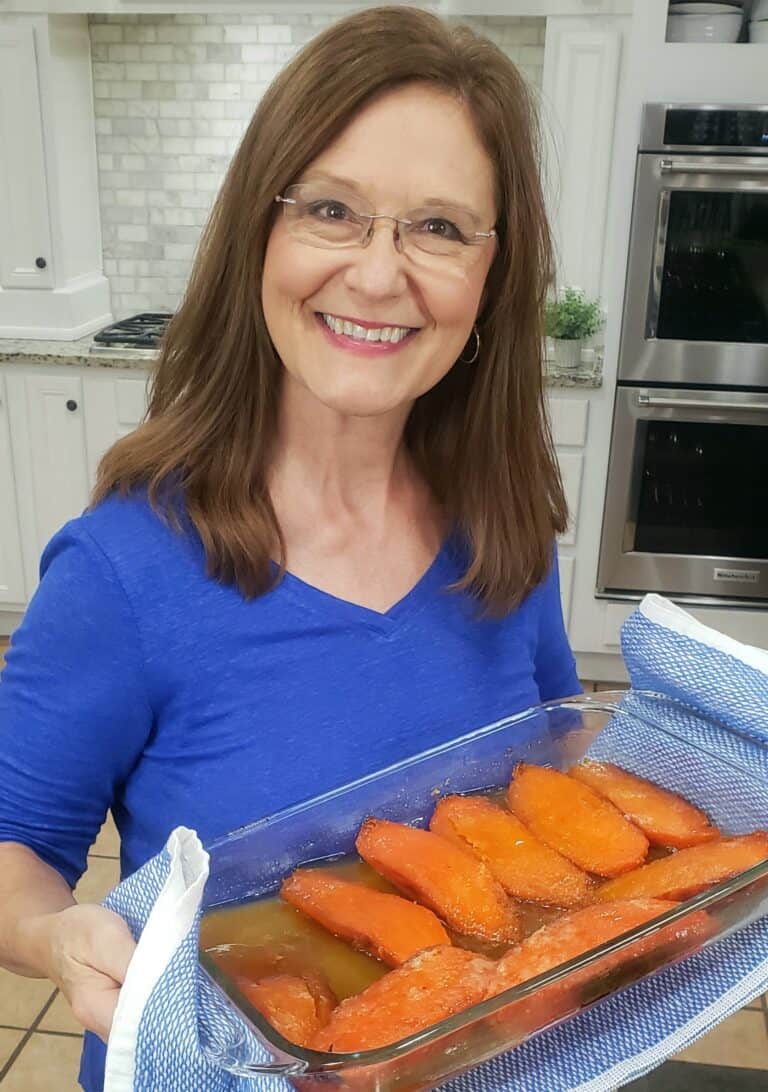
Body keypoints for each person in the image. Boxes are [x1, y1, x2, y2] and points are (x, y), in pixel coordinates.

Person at [0, 6, 580, 1090]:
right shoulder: (127, 568)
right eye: (331, 210)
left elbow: (550, 772)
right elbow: (14, 847)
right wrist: (55, 937)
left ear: (493, 278)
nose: (376, 274)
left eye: (440, 228)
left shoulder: (507, 532)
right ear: (257, 236)